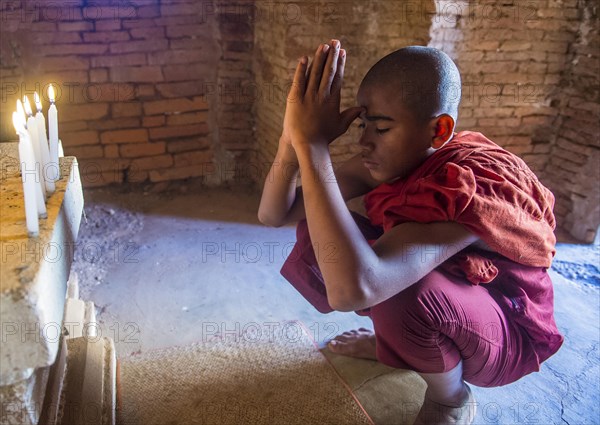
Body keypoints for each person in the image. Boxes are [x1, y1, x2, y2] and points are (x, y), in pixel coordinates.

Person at [257, 40, 563, 425]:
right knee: (322, 228)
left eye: (381, 127)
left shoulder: (466, 189)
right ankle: (392, 344)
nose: (365, 140)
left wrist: (314, 145)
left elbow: (354, 289)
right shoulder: (395, 156)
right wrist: (293, 138)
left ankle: (450, 397)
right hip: (450, 302)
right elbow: (275, 214)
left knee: (401, 292)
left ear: (439, 130)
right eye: (362, 125)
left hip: (500, 335)